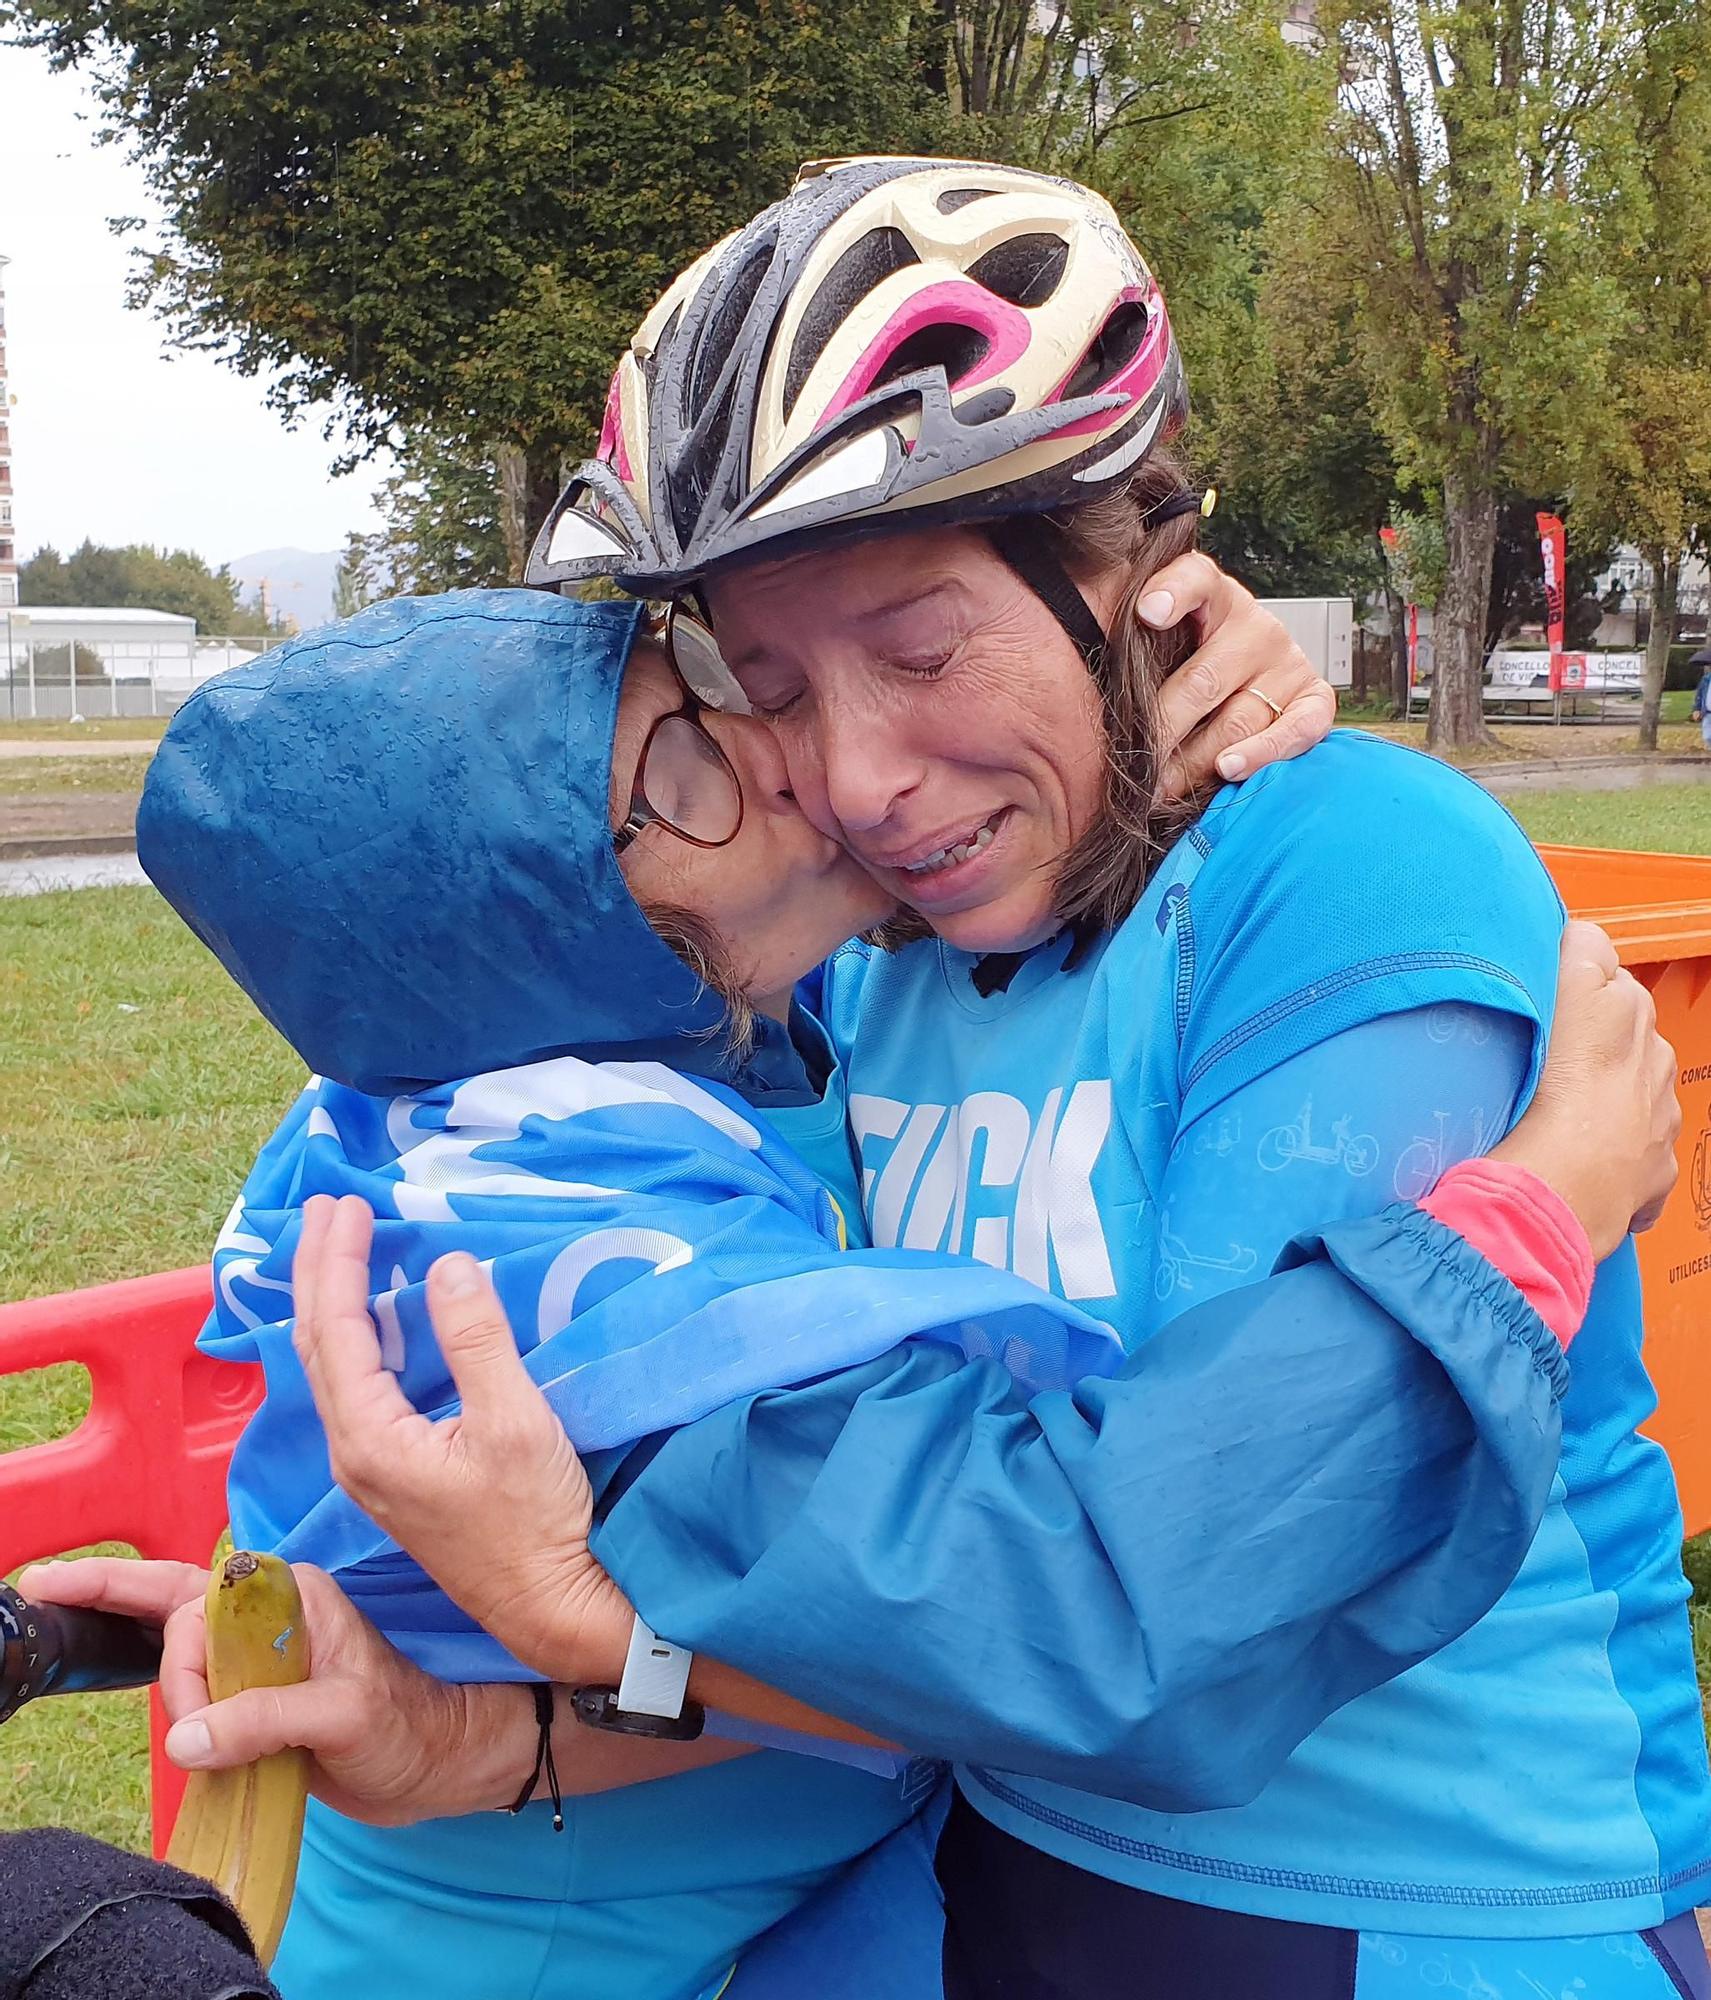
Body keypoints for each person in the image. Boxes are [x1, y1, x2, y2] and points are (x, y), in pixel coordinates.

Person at [27, 571, 1671, 2000]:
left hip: (1199, 1872)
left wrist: (1111, 637)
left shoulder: (708, 1042)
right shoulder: (586, 1245)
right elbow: (1080, 1610)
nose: (820, 763)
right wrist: (1523, 1225)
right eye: (716, 738)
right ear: (545, 929)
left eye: (733, 692)